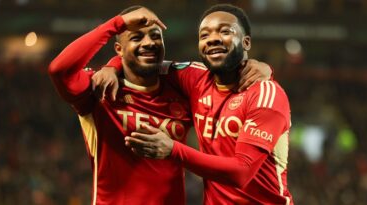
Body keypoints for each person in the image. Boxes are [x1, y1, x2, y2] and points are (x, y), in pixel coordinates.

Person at [49, 5, 271, 205]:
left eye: (156, 36)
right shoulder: (99, 89)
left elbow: (228, 71)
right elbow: (59, 70)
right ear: (119, 49)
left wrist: (256, 66)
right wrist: (116, 24)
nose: (149, 43)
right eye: (136, 38)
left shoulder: (181, 83)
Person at [123, 4, 293, 205]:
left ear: (246, 42)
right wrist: (111, 66)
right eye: (204, 35)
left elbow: (241, 172)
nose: (212, 38)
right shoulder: (196, 79)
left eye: (224, 31)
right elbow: (141, 61)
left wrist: (173, 150)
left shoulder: (266, 94)